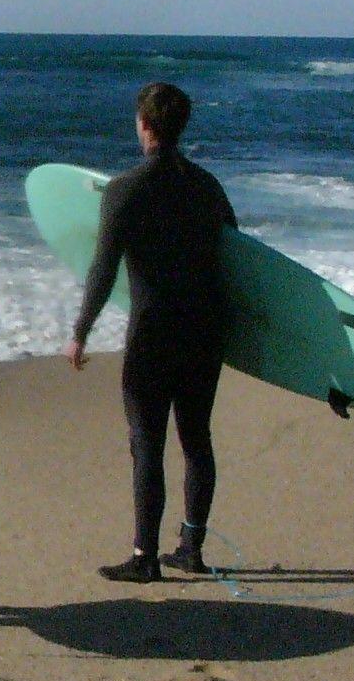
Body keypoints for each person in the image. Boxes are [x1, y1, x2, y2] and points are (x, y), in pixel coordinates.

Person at [68, 82, 236, 584]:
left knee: (147, 443)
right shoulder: (208, 187)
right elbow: (239, 258)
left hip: (154, 335)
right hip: (204, 333)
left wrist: (81, 331)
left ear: (144, 124)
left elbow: (103, 269)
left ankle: (145, 557)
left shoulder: (126, 190)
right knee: (196, 438)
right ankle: (192, 547)